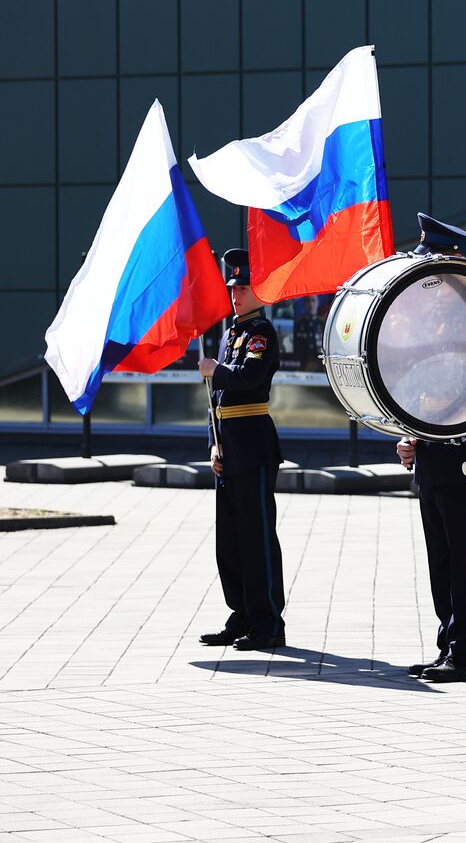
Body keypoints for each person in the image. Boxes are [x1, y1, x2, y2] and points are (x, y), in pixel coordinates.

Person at [395, 213, 466, 683]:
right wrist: (410, 432)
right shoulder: (434, 317)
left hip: (464, 450)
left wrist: (430, 425)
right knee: (440, 553)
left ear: (455, 261)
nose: (428, 278)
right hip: (434, 447)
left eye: (434, 266)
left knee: (465, 553)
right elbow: (420, 382)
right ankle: (449, 643)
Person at [196, 249, 287, 652]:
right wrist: (214, 443)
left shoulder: (261, 334)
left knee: (256, 538)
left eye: (244, 288)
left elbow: (249, 379)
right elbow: (216, 401)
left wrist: (218, 370)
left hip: (252, 447)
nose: (236, 295)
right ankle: (243, 614)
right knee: (230, 540)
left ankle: (267, 620)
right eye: (233, 288)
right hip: (229, 448)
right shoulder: (232, 333)